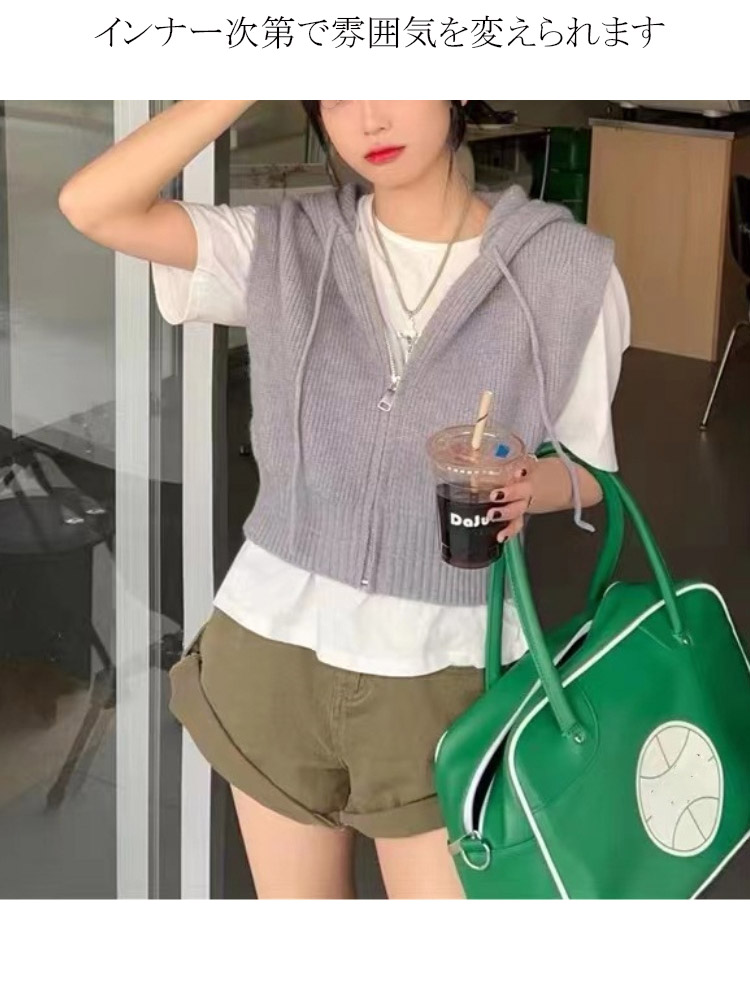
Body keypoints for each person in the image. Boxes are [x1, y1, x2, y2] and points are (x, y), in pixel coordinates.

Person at [58, 100, 630, 899]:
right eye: (336, 87)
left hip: (446, 672)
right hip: (271, 652)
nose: (369, 117)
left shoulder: (568, 270)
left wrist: (531, 486)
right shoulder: (281, 245)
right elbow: (94, 205)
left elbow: (590, 470)